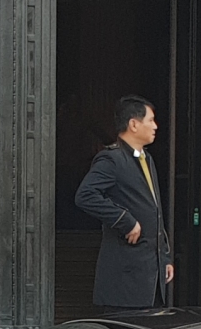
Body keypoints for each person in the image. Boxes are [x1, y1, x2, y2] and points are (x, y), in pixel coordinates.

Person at [74, 96, 174, 312]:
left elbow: (155, 211)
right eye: (151, 120)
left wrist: (164, 257)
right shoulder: (112, 159)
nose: (156, 126)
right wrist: (125, 221)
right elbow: (85, 195)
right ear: (134, 124)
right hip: (125, 283)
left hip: (150, 276)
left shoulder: (146, 159)